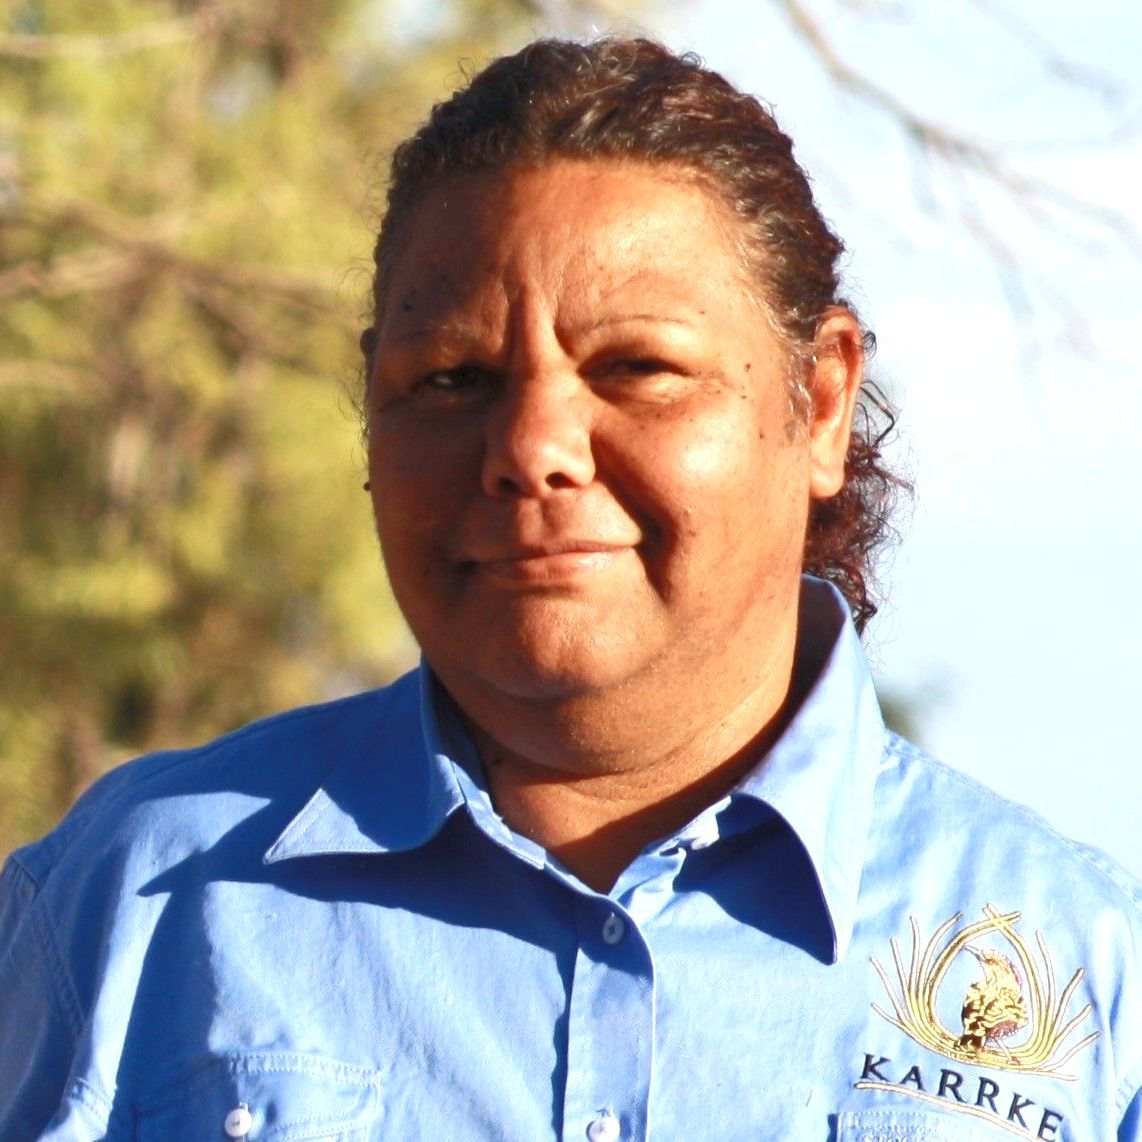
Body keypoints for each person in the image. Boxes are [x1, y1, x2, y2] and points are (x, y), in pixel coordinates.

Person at [1, 36, 1139, 1142]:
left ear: (822, 403)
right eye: (451, 377)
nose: (531, 443)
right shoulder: (133, 903)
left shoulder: (1087, 974)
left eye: (634, 367)